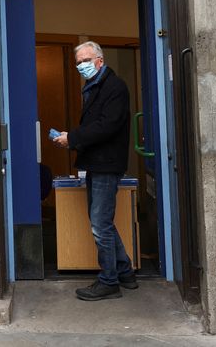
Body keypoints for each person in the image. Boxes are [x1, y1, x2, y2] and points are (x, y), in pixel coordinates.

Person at [52, 41, 137, 301]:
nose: (82, 66)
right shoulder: (95, 86)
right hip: (97, 163)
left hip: (105, 164)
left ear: (99, 60)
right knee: (103, 222)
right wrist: (72, 138)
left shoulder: (114, 87)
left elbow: (106, 126)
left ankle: (109, 281)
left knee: (100, 224)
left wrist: (73, 138)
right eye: (78, 62)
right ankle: (125, 271)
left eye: (86, 60)